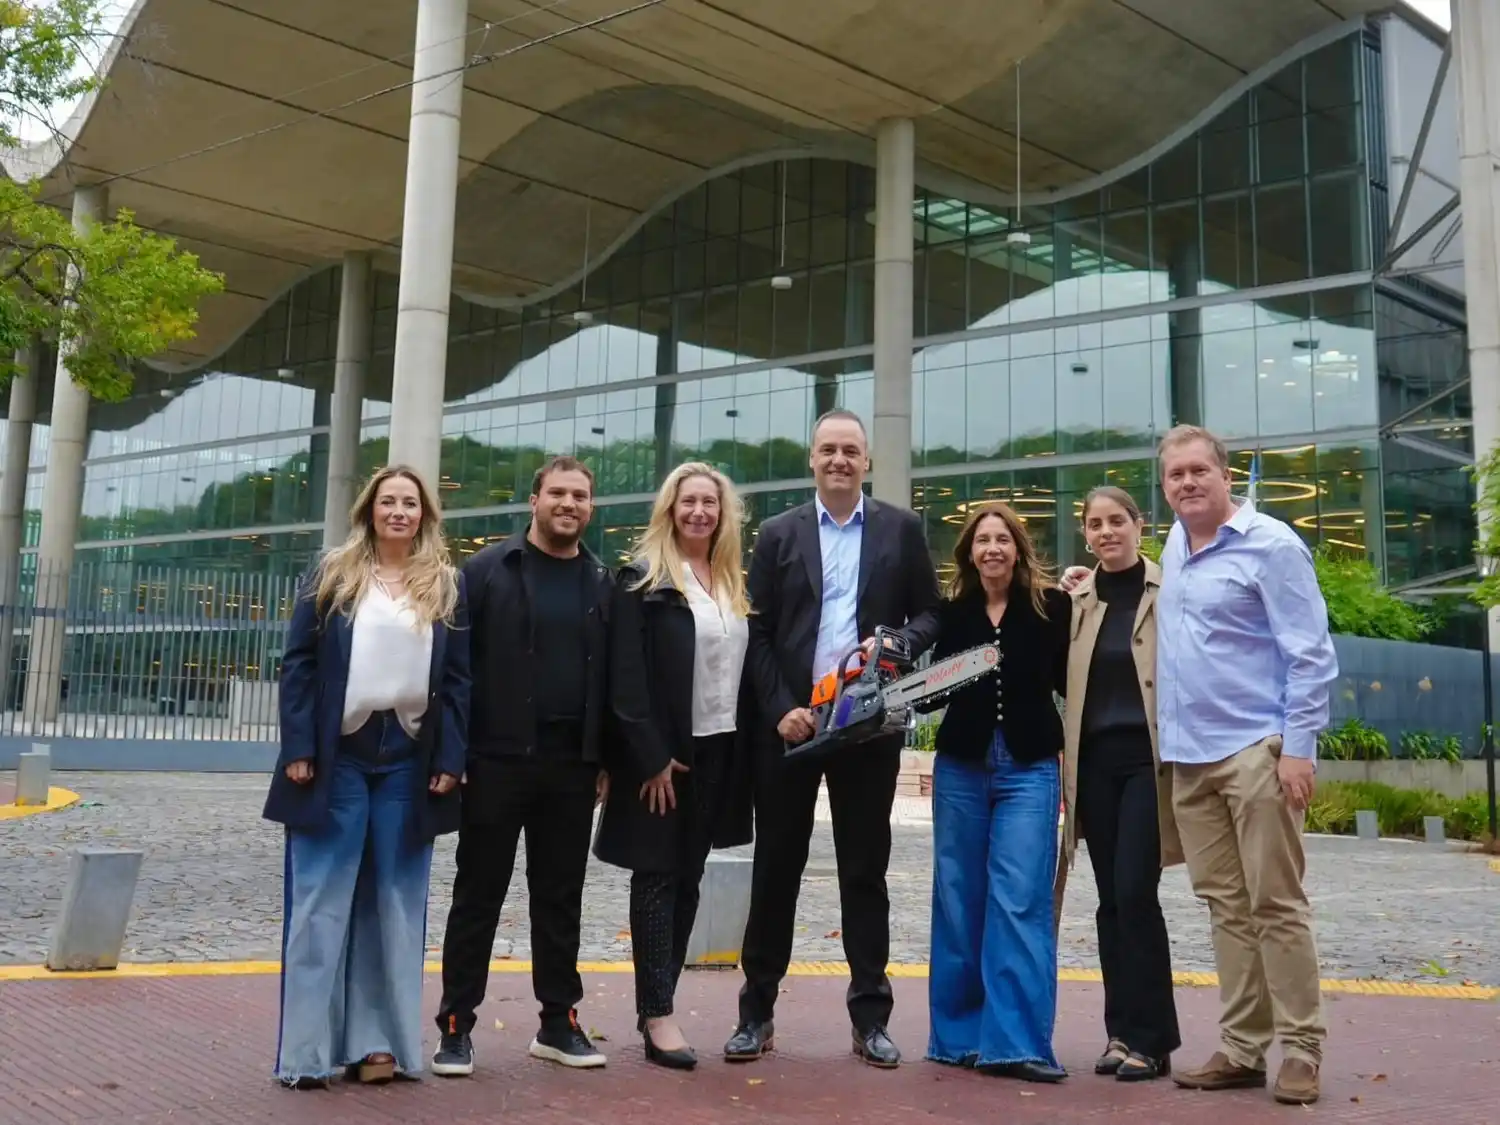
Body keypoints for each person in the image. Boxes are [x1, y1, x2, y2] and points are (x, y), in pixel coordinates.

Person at [726, 409, 941, 1068]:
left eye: (851, 450)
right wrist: (780, 708)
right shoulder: (778, 533)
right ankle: (755, 1013)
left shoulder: (901, 529)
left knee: (864, 871)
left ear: (866, 461)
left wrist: (899, 643)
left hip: (866, 725)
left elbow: (931, 613)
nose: (840, 460)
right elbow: (757, 630)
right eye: (829, 450)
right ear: (812, 459)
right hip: (792, 725)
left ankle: (871, 1018)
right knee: (776, 869)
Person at [264, 465, 470, 1089]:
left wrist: (451, 759)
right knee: (321, 904)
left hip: (408, 758)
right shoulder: (333, 574)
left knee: (395, 906)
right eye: (389, 502)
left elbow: (457, 682)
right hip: (339, 756)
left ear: (424, 514)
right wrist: (300, 746)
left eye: (410, 503)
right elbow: (299, 664)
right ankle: (305, 1055)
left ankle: (377, 1044)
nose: (399, 512)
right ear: (369, 511)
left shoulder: (445, 584)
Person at [1154, 424, 1337, 1107]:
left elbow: (1310, 654)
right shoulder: (1175, 546)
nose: (1188, 482)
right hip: (1190, 758)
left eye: (1199, 470)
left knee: (1276, 903)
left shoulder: (1272, 544)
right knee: (1226, 908)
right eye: (1175, 474)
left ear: (1226, 475)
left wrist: (1299, 748)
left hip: (1255, 751)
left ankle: (1302, 1049)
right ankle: (1241, 1047)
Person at [431, 455, 614, 1076]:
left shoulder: (602, 581)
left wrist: (603, 758)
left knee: (560, 899)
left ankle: (558, 1023)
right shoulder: (485, 572)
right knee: (477, 896)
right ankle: (456, 1026)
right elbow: (455, 672)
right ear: (534, 500)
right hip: (495, 760)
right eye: (558, 493)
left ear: (590, 507)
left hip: (571, 766)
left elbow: (610, 678)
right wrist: (456, 754)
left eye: (580, 496)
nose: (569, 504)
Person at [594, 462, 757, 1070]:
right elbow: (625, 679)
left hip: (719, 749)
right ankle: (658, 1013)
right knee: (657, 877)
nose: (699, 512)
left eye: (709, 503)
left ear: (723, 514)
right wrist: (650, 757)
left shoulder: (732, 582)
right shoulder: (644, 581)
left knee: (689, 877)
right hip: (663, 756)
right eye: (688, 502)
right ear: (670, 509)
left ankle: (657, 1002)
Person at [917, 501, 1070, 1084]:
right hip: (962, 766)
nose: (992, 549)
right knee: (960, 898)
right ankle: (958, 1039)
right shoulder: (954, 613)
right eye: (982, 540)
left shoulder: (1051, 606)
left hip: (1030, 766)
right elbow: (929, 696)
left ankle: (1018, 1043)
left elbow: (1071, 679)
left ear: (1019, 548)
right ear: (969, 553)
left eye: (1002, 539)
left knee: (1021, 898)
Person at [1059, 486, 1182, 1082]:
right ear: (1086, 534)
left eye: (1117, 521)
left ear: (1139, 525)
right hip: (1093, 766)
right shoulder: (1078, 601)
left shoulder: (1170, 588)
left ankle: (1153, 1039)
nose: (1106, 532)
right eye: (1095, 524)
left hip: (1145, 764)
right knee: (1110, 901)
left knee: (1136, 893)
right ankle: (1121, 1032)